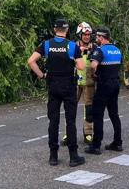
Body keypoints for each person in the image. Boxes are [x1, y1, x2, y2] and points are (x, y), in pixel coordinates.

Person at [27, 18, 86, 167]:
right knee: (70, 121)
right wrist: (76, 57)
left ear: (55, 29)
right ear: (66, 30)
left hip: (53, 86)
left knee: (53, 121)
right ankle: (73, 156)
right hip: (68, 86)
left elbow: (31, 61)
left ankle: (53, 156)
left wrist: (41, 75)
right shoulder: (72, 46)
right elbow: (80, 66)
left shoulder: (46, 45)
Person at [85, 27, 123, 155]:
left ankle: (95, 146)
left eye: (97, 37)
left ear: (101, 37)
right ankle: (118, 143)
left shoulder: (100, 50)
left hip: (104, 85)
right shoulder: (117, 50)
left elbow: (93, 65)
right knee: (114, 114)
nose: (96, 39)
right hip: (115, 84)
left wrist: (93, 74)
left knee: (98, 115)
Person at [62, 22, 95, 146]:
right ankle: (68, 134)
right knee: (70, 108)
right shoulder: (71, 47)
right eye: (84, 34)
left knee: (89, 109)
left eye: (88, 34)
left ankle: (88, 133)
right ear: (79, 35)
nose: (87, 37)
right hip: (74, 82)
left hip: (89, 82)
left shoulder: (95, 47)